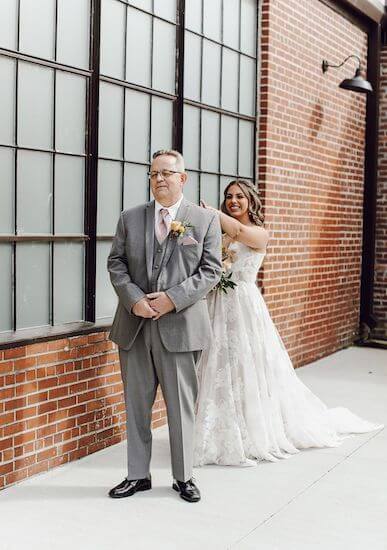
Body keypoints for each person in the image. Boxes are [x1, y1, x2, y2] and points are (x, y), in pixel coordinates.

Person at [194, 179, 383, 467]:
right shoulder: (220, 231)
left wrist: (208, 214)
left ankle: (251, 430)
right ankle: (218, 428)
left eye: (240, 196)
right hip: (216, 305)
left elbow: (240, 231)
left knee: (247, 365)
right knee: (219, 365)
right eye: (229, 196)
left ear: (251, 201)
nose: (233, 201)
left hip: (243, 306)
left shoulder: (258, 233)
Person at [107, 149, 222, 502]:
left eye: (167, 173)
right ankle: (138, 475)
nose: (159, 179)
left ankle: (183, 477)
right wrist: (135, 300)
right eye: (154, 173)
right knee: (137, 404)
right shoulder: (130, 218)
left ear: (182, 178)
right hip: (135, 327)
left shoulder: (203, 221)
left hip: (182, 327)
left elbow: (211, 270)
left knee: (180, 405)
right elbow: (116, 264)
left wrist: (172, 298)